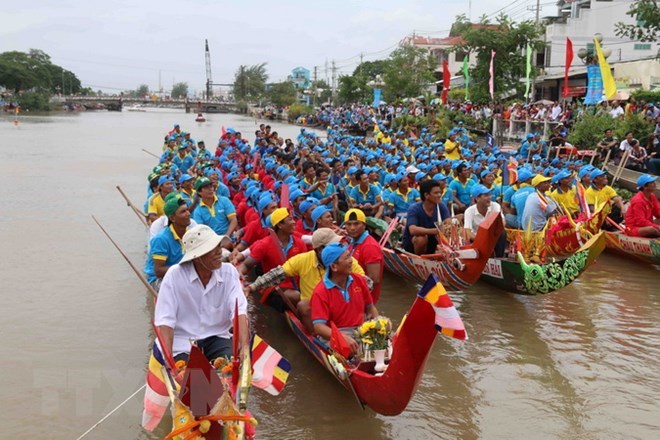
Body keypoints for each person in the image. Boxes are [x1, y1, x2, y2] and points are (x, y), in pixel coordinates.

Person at [154, 225, 249, 362]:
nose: (219, 253)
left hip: (217, 337)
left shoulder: (229, 272)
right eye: (212, 249)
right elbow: (165, 321)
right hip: (182, 342)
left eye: (218, 247)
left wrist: (244, 350)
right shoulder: (174, 276)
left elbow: (239, 311)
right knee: (188, 377)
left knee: (229, 370)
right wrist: (169, 363)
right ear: (197, 257)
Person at [245, 228, 366, 332]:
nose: (338, 247)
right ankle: (316, 336)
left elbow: (366, 283)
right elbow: (276, 275)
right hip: (315, 311)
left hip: (341, 307)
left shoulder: (345, 260)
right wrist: (252, 287)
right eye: (333, 245)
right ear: (320, 250)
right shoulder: (302, 260)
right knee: (303, 305)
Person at [311, 243, 379, 356]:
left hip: (360, 330)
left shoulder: (359, 280)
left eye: (350, 256)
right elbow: (319, 327)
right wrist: (342, 337)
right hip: (336, 334)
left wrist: (379, 327)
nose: (351, 260)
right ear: (334, 267)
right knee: (351, 351)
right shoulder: (320, 292)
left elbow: (370, 308)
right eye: (346, 257)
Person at [238, 208, 307, 308]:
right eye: (290, 220)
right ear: (280, 225)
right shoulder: (264, 244)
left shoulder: (300, 244)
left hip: (296, 286)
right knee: (298, 297)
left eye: (293, 219)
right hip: (273, 287)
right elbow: (246, 264)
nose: (294, 222)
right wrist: (239, 273)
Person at [145, 194, 192, 290]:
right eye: (183, 211)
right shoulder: (161, 239)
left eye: (187, 210)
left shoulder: (191, 234)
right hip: (159, 278)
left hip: (183, 272)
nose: (188, 214)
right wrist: (188, 270)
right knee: (183, 289)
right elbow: (159, 270)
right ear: (173, 218)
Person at [343, 209, 384, 303]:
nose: (352, 228)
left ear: (364, 225)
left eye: (356, 224)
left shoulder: (370, 246)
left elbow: (373, 280)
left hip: (363, 299)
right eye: (348, 224)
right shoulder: (353, 242)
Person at [402, 179, 452, 255]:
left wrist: (448, 228)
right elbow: (413, 230)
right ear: (426, 195)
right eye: (436, 193)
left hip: (433, 241)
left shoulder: (441, 206)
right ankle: (420, 260)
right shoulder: (414, 208)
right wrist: (436, 231)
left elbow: (449, 223)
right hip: (413, 245)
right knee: (421, 239)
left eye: (440, 192)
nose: (439, 195)